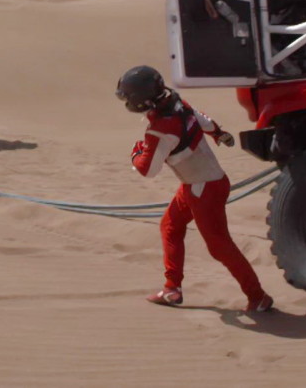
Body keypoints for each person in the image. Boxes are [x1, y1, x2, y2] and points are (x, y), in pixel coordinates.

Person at [116, 65, 273, 313]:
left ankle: (258, 296)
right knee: (170, 226)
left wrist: (136, 153)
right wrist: (218, 133)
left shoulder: (159, 130)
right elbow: (203, 120)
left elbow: (148, 169)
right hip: (199, 185)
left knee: (219, 246)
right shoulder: (178, 104)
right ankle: (172, 288)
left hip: (204, 189)